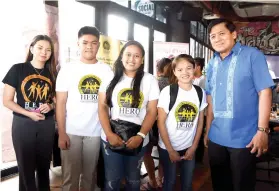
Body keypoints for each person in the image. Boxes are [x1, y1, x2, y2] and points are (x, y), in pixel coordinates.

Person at [204, 18, 274, 191]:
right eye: (213, 36)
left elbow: (265, 91)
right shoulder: (212, 63)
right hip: (216, 138)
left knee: (242, 186)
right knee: (220, 185)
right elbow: (211, 98)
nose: (217, 39)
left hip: (245, 139)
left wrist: (263, 130)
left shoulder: (252, 55)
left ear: (234, 34)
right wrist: (207, 130)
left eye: (221, 34)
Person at [56, 26, 113, 191]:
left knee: (90, 177)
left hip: (95, 132)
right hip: (71, 131)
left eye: (94, 43)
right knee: (69, 178)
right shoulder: (67, 69)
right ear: (78, 44)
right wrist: (61, 132)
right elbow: (60, 102)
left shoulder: (106, 70)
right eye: (85, 42)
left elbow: (108, 104)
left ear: (99, 45)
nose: (89, 46)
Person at [98, 40, 160, 190]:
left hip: (138, 138)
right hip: (111, 137)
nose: (132, 59)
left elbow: (152, 111)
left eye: (137, 56)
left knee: (133, 180)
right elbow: (102, 106)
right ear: (121, 56)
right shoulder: (109, 77)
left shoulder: (150, 80)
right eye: (128, 54)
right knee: (112, 180)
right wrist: (109, 134)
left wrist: (140, 135)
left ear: (142, 59)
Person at [2, 35, 57, 191]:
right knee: (26, 168)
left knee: (44, 166)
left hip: (46, 124)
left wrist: (51, 106)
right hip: (23, 124)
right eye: (40, 48)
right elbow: (7, 101)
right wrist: (29, 113)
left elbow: (55, 100)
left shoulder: (52, 73)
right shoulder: (17, 69)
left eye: (48, 50)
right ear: (32, 48)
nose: (44, 52)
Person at [157, 54, 207, 191]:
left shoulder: (200, 92)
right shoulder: (168, 92)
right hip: (168, 147)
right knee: (170, 182)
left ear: (195, 69)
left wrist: (194, 147)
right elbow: (160, 123)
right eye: (180, 69)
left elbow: (200, 121)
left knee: (187, 183)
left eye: (188, 68)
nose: (184, 72)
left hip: (189, 146)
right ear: (174, 72)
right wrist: (170, 150)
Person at [143, 57, 172, 190]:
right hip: (168, 123)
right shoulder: (174, 84)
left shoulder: (154, 82)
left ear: (158, 68)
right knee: (163, 151)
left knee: (147, 152)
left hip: (152, 121)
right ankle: (162, 178)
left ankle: (153, 180)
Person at [193, 57, 206, 164]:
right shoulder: (191, 79)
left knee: (199, 134)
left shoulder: (203, 80)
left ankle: (198, 159)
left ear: (198, 67)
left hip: (201, 113)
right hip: (192, 113)